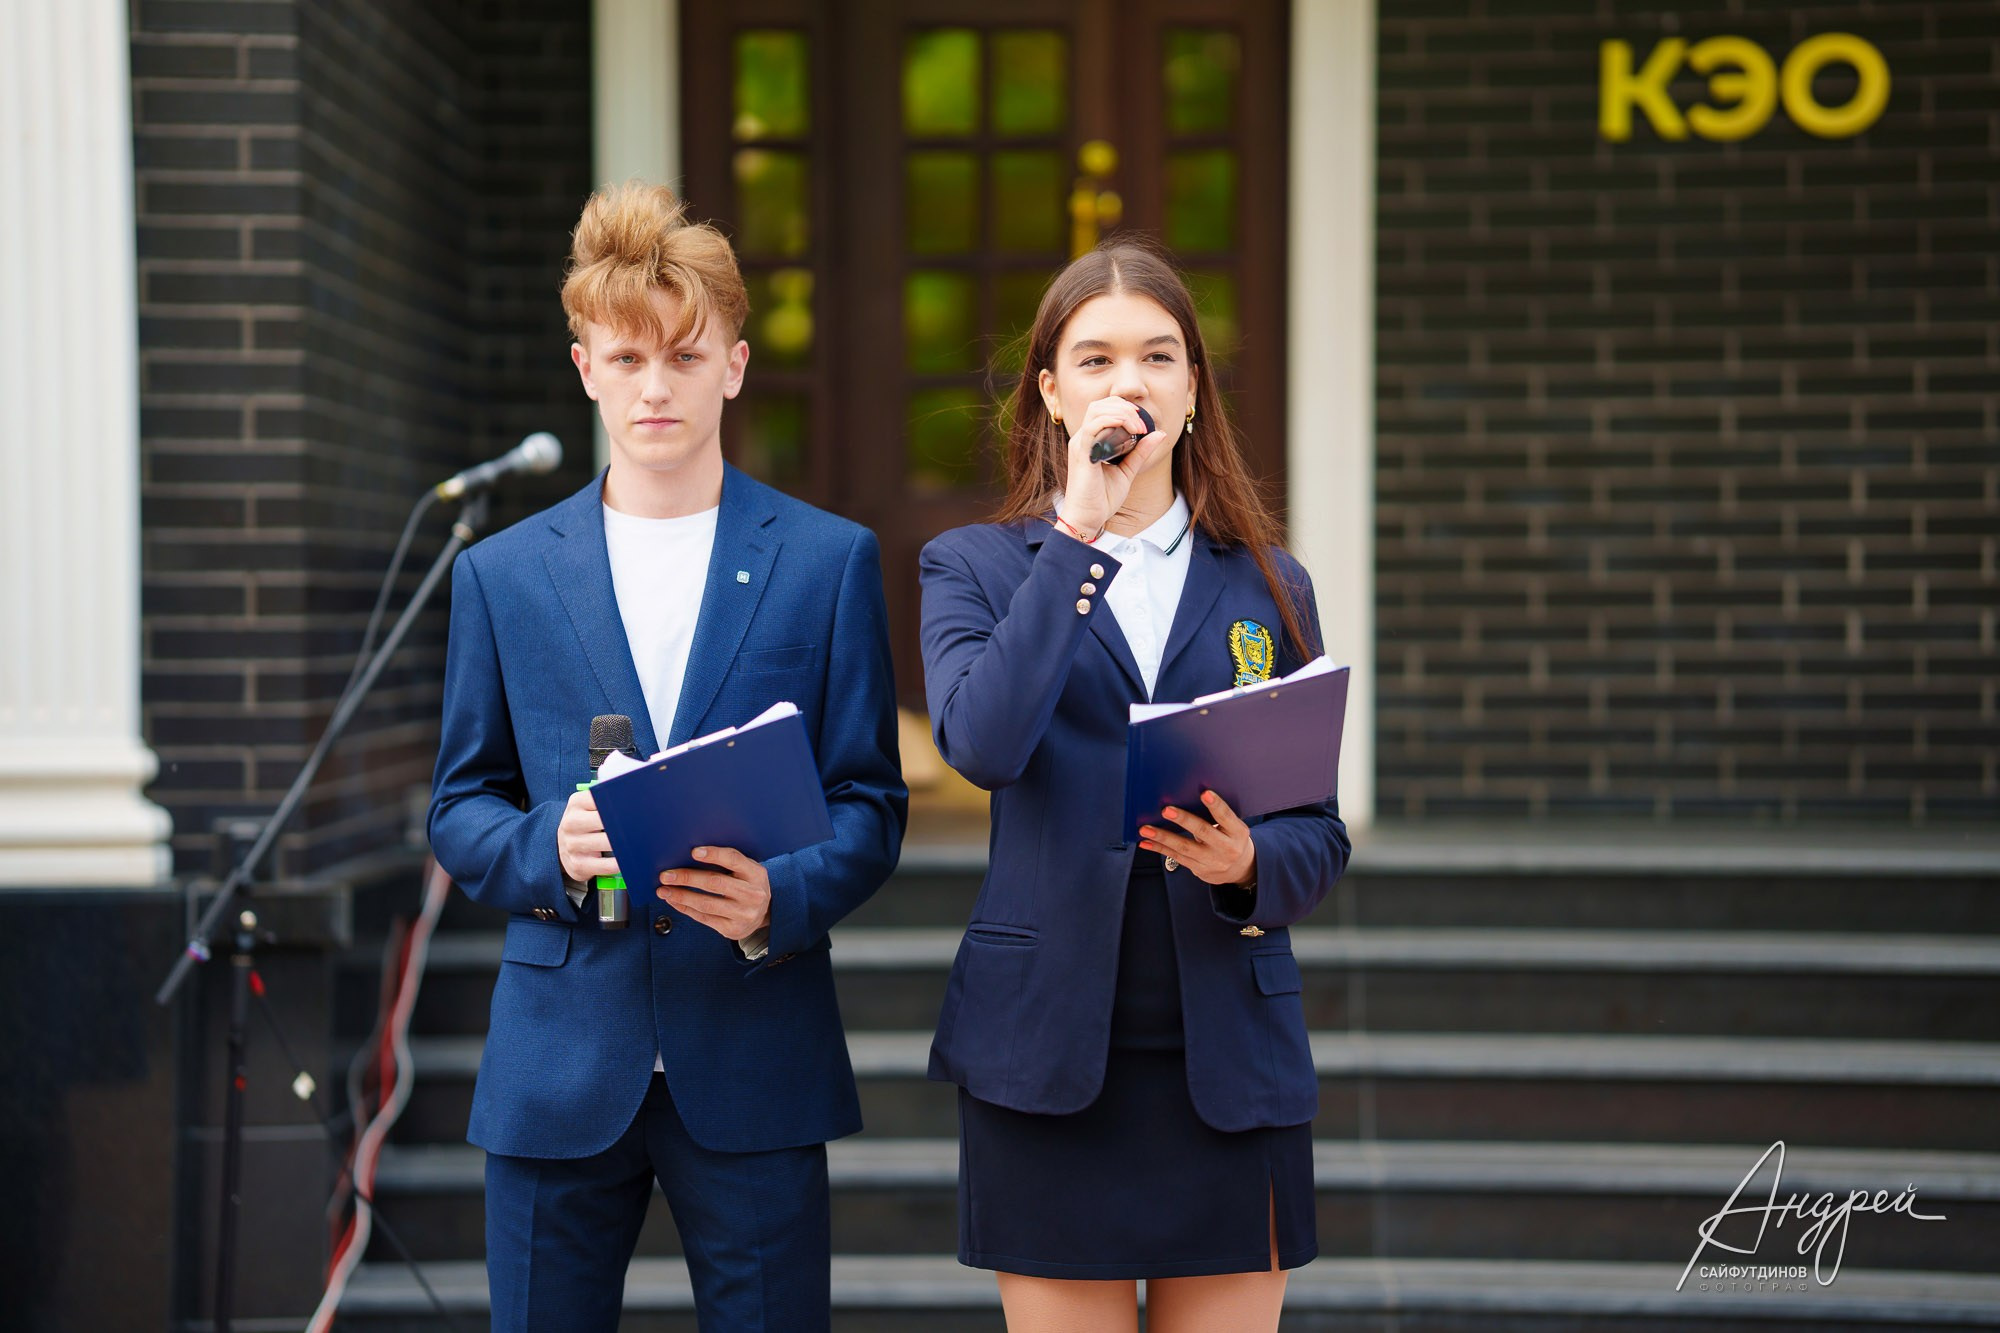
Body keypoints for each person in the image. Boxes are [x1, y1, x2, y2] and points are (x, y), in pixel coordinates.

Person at [428, 181, 906, 1332]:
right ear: (585, 368)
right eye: (628, 358)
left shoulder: (826, 561)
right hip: (556, 1057)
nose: (655, 386)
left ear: (732, 367)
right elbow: (460, 802)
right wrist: (549, 846)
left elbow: (869, 798)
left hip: (754, 1041)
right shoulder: (500, 574)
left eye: (684, 357)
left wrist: (777, 896)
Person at [918, 239, 1350, 1332]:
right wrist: (1078, 532)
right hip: (1046, 1053)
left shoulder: (1268, 582)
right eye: (1096, 358)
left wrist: (1248, 862)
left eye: (1159, 356)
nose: (1130, 382)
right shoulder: (974, 565)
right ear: (1051, 394)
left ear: (1193, 390)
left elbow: (1317, 832)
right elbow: (983, 743)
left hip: (1229, 1058)